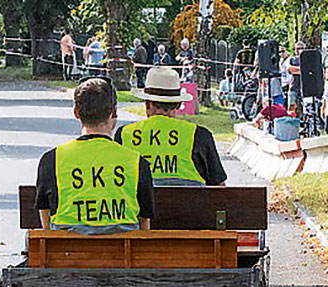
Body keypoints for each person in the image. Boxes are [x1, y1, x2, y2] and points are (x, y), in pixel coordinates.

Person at [35, 77, 154, 234]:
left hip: (66, 254)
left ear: (76, 112)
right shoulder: (136, 162)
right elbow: (144, 219)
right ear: (114, 112)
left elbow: (45, 215)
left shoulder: (52, 159)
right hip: (123, 255)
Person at [115, 67, 227, 186]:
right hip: (189, 204)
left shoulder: (124, 135)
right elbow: (219, 187)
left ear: (147, 104)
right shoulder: (199, 135)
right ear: (178, 104)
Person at [285, 41, 306, 113]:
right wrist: (301, 69)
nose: (298, 50)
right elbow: (290, 70)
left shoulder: (307, 59)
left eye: (301, 48)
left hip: (305, 87)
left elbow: (307, 71)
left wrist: (297, 70)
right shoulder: (292, 59)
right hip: (293, 86)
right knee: (291, 106)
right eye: (297, 48)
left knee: (306, 107)